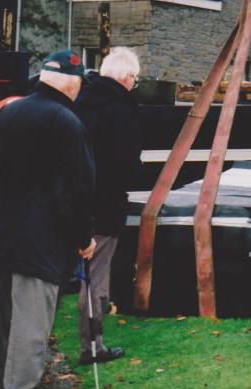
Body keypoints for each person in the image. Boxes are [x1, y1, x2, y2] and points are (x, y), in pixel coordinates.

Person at [0, 50, 96, 389]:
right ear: (72, 83)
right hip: (38, 241)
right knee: (30, 326)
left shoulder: (4, 111)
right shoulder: (67, 123)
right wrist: (83, 239)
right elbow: (76, 192)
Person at [75, 47, 143, 365]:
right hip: (104, 206)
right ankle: (93, 346)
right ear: (126, 77)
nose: (135, 84)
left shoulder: (80, 102)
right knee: (96, 278)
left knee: (78, 277)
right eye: (135, 79)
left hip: (74, 202)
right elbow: (126, 167)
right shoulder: (121, 110)